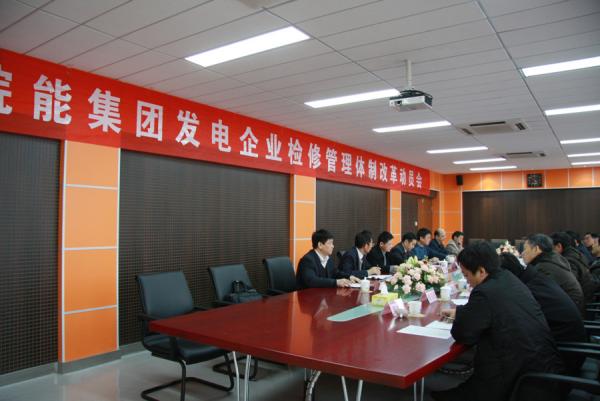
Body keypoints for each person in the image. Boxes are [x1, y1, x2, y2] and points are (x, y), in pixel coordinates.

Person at [433, 242, 563, 401]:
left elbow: (464, 334)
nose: (468, 282)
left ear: (481, 271)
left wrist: (462, 316)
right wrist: (462, 313)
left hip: (517, 380)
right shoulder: (508, 278)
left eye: (467, 275)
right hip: (542, 369)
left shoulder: (484, 292)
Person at [500, 252, 586, 375]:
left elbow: (519, 329)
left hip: (564, 356)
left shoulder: (527, 290)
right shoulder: (536, 278)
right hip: (573, 346)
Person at [522, 233, 584, 313]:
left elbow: (535, 296)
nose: (522, 253)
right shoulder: (552, 259)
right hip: (571, 307)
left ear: (536, 249)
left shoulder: (544, 267)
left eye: (525, 249)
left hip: (567, 312)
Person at [551, 231, 597, 304]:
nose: (551, 251)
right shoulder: (577, 254)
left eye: (552, 248)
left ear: (559, 246)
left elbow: (569, 285)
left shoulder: (568, 260)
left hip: (579, 301)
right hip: (586, 297)